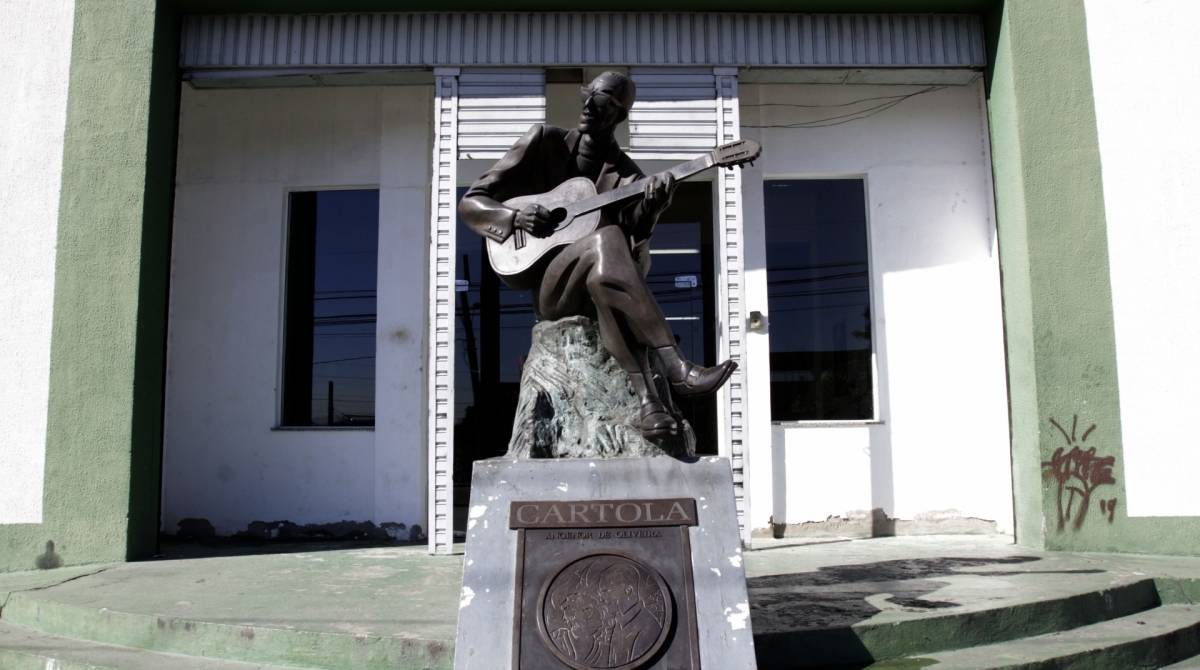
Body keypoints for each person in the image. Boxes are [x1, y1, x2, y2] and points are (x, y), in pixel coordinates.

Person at [458, 71, 736, 440]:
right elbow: (472, 202)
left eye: (601, 101)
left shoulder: (628, 178)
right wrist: (514, 217)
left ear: (619, 115)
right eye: (587, 95)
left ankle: (650, 406)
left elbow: (634, 263)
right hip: (552, 289)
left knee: (606, 269)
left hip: (597, 287)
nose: (588, 106)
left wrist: (651, 211)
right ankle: (676, 366)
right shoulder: (543, 142)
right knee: (607, 241)